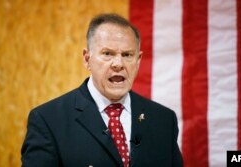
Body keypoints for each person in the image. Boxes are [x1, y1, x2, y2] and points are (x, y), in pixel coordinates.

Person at [21, 13, 183, 167]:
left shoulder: (164, 120)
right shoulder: (48, 120)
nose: (118, 64)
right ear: (87, 59)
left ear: (138, 60)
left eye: (127, 55)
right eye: (107, 54)